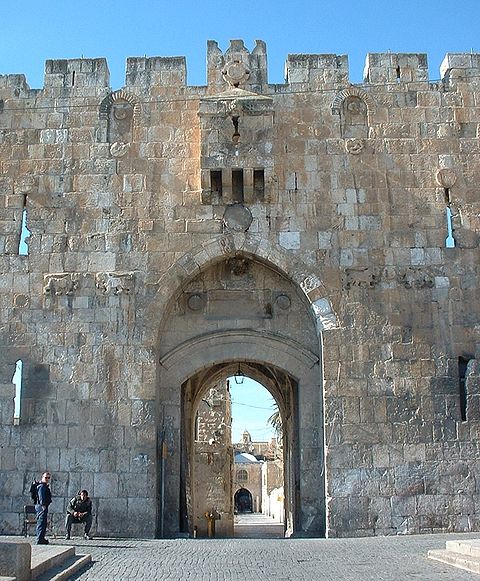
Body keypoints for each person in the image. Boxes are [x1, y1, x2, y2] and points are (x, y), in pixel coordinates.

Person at [35, 472, 52, 545]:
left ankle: (41, 538)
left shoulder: (44, 486)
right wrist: (43, 505)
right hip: (41, 506)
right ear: (42, 477)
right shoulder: (41, 486)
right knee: (41, 522)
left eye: (48, 478)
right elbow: (41, 496)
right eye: (46, 477)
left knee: (43, 522)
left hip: (43, 506)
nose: (47, 479)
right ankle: (39, 538)